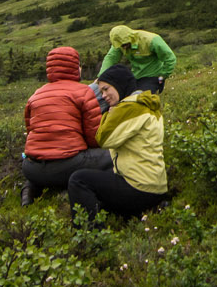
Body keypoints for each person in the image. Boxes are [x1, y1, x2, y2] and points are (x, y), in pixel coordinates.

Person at [20, 46, 124, 205]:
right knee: (115, 155)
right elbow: (94, 137)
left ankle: (29, 189)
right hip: (67, 165)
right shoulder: (83, 92)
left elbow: (30, 132)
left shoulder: (35, 95)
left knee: (44, 163)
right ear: (75, 68)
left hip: (31, 168)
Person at [67, 67, 168, 227]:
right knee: (106, 174)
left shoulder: (128, 108)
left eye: (106, 89)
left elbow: (103, 138)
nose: (103, 96)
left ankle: (90, 235)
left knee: (78, 180)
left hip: (139, 187)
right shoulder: (144, 104)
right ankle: (135, 214)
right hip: (154, 185)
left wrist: (109, 112)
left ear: (119, 84)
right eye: (101, 91)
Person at [100, 25, 177, 94]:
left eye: (125, 44)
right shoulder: (119, 44)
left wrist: (163, 76)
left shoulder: (151, 40)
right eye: (122, 46)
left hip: (152, 75)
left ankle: (156, 85)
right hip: (135, 76)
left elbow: (170, 58)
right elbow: (111, 58)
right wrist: (101, 77)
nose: (124, 47)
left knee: (140, 97)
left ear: (130, 37)